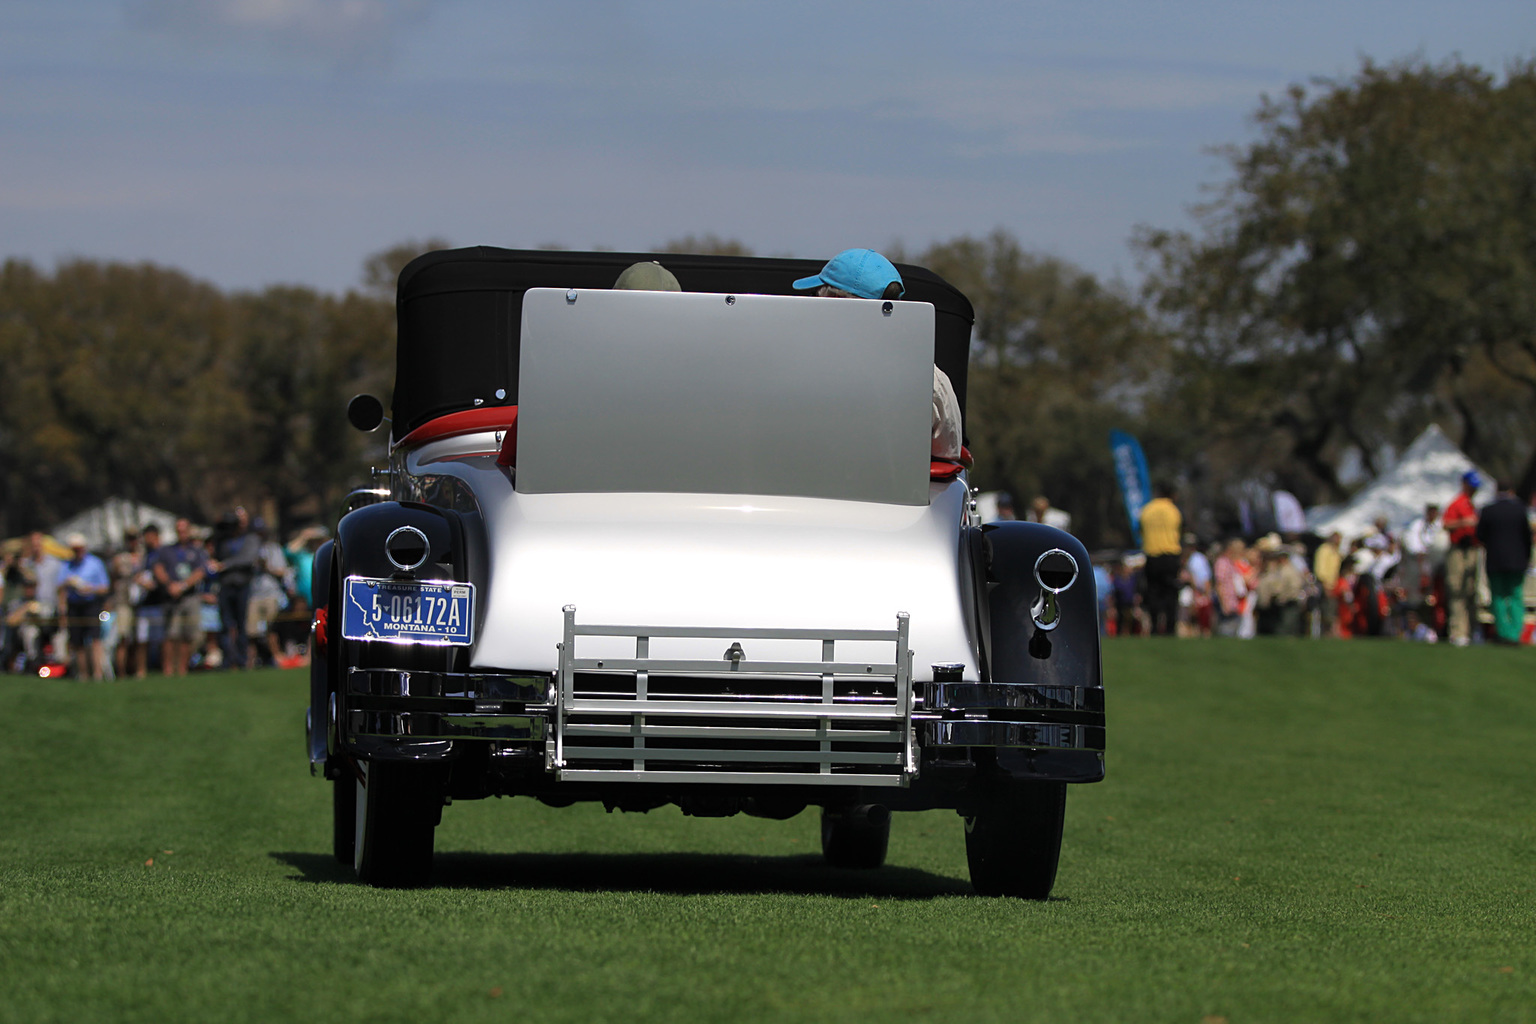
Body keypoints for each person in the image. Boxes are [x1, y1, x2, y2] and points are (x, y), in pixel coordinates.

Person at [793, 248, 963, 462]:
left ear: (834, 299)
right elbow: (948, 453)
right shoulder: (930, 381)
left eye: (814, 295)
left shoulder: (789, 367)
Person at [1476, 480, 1532, 645]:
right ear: (1512, 491)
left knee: (1498, 596)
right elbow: (1527, 537)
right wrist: (1526, 558)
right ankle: (1514, 634)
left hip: (1495, 559)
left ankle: (1502, 632)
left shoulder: (1488, 510)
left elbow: (1480, 535)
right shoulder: (1520, 509)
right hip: (1517, 561)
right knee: (1515, 596)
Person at [153, 518, 210, 677]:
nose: (182, 533)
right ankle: (168, 670)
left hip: (190, 597)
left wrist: (183, 585)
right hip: (171, 597)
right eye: (179, 530)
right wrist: (169, 585)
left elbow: (200, 571)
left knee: (187, 635)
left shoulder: (197, 550)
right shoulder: (166, 550)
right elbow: (158, 568)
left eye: (184, 530)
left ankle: (182, 670)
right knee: (171, 635)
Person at [213, 507, 262, 670]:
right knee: (226, 624)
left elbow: (247, 559)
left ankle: (242, 660)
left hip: (242, 585)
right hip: (226, 586)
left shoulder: (251, 538)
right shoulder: (222, 540)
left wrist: (225, 565)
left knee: (242, 624)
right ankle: (227, 659)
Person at [58, 533, 111, 680]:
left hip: (91, 604)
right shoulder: (67, 565)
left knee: (95, 639)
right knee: (77, 641)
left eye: (79, 548)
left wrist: (91, 589)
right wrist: (68, 584)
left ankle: (98, 674)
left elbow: (105, 587)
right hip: (74, 605)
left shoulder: (95, 563)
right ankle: (83, 674)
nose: (77, 552)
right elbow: (60, 587)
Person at [1442, 471, 1482, 646]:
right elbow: (1446, 524)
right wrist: (1464, 522)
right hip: (1458, 549)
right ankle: (1458, 631)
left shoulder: (1472, 505)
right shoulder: (1456, 503)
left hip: (1472, 549)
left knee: (1471, 590)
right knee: (1457, 588)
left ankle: (1471, 630)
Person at [1139, 483, 1183, 636]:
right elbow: (1179, 531)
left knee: (1153, 592)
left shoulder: (1147, 510)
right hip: (1170, 555)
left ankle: (1154, 627)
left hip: (1152, 555)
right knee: (1171, 593)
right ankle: (1170, 628)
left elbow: (1140, 530)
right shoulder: (1173, 510)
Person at [132, 524, 166, 677]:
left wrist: (155, 584)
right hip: (144, 603)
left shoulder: (163, 553)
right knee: (142, 639)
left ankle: (164, 668)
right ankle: (141, 670)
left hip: (160, 602)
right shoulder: (146, 555)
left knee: (161, 639)